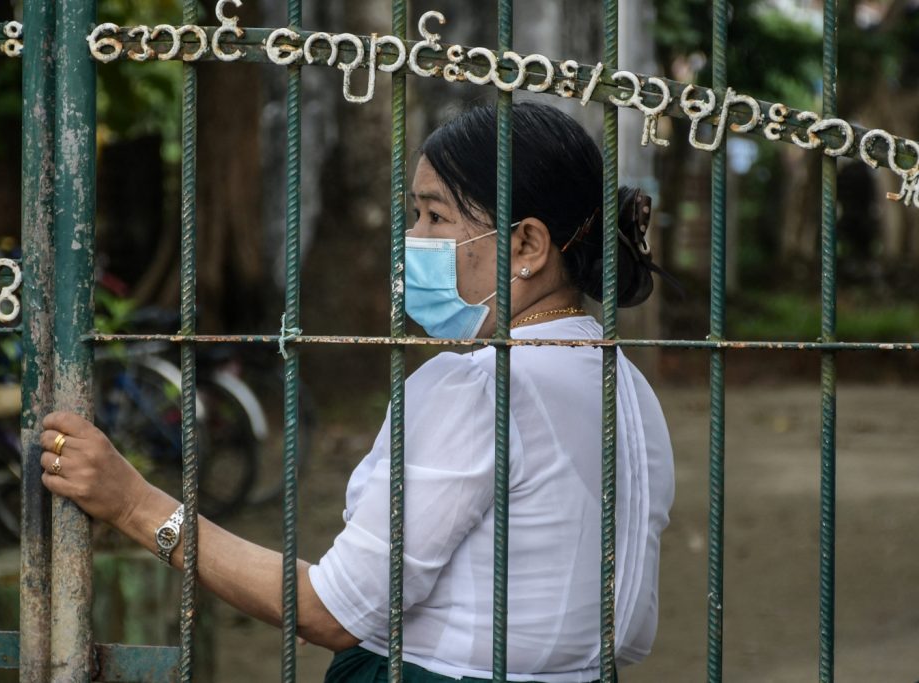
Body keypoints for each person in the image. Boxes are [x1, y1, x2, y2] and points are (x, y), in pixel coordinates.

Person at [41, 102, 675, 683]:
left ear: (526, 244)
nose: (413, 239)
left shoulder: (482, 385)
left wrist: (134, 505)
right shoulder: (624, 385)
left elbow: (331, 613)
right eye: (413, 214)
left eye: (435, 215)